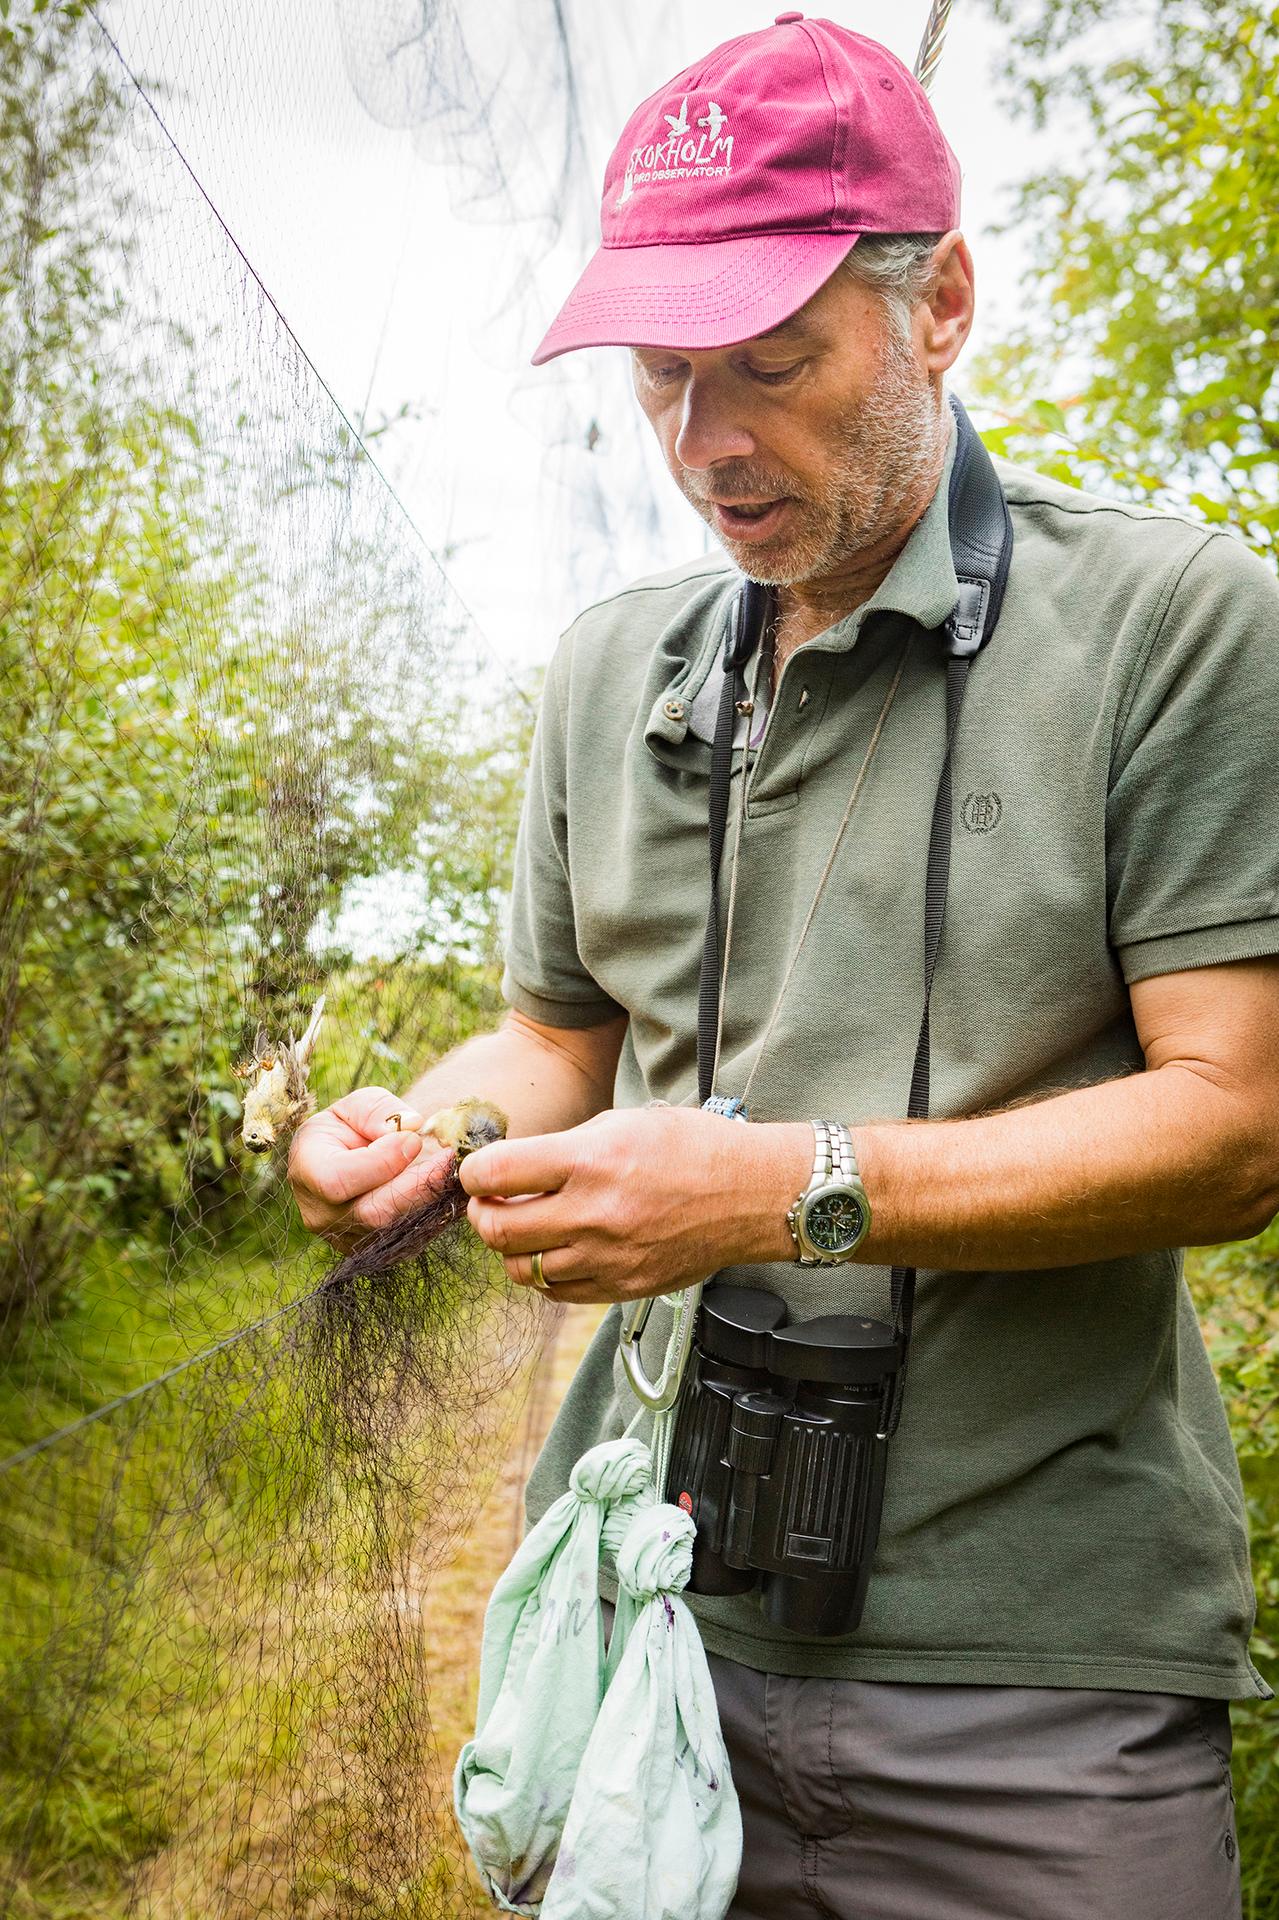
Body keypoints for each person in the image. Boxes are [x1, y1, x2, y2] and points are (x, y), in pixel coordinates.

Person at [290, 16, 1279, 1916]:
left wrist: (785, 1190)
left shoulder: (1174, 625)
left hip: (1039, 1679)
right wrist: (416, 1132)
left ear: (943, 305)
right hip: (651, 1615)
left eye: (771, 364)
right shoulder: (606, 671)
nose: (709, 444)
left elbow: (1239, 1133)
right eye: (664, 377)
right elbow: (557, 1037)